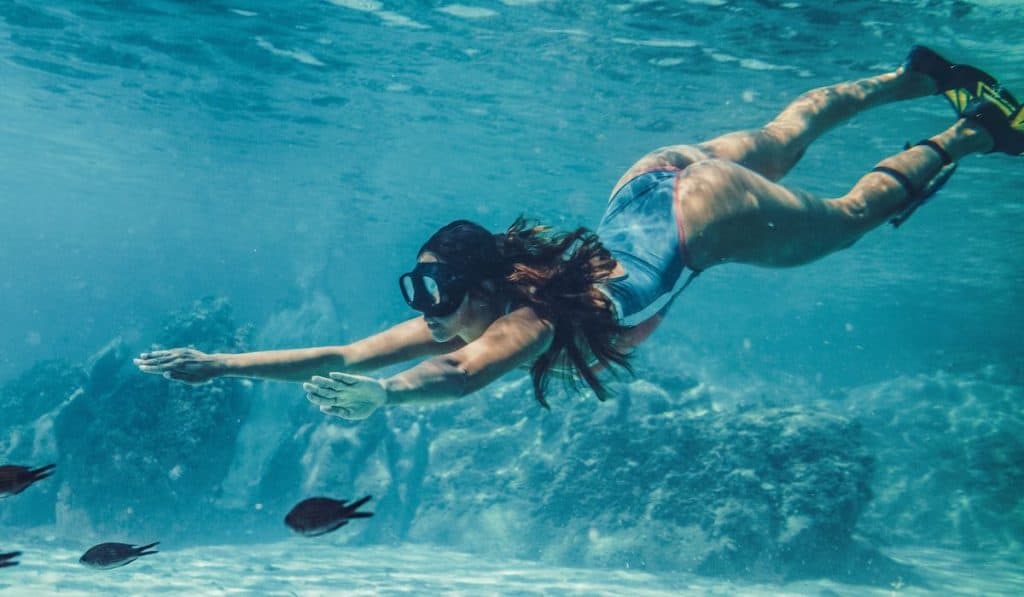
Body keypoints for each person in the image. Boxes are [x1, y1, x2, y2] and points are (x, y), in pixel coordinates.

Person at [135, 46, 1022, 420]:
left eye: (441, 290)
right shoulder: (471, 305)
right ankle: (911, 74)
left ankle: (974, 127)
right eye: (423, 290)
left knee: (846, 221)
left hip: (692, 209)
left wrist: (391, 400)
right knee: (786, 135)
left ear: (488, 283)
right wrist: (223, 362)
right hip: (657, 175)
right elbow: (345, 349)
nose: (431, 308)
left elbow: (459, 371)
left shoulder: (526, 319)